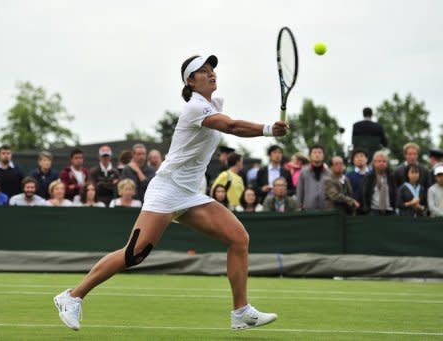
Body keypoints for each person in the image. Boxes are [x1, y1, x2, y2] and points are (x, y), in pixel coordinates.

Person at [53, 54, 288, 331]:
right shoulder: (194, 107)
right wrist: (269, 129)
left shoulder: (213, 104)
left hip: (190, 193)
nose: (211, 73)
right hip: (167, 189)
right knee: (134, 254)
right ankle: (71, 296)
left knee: (238, 238)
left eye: (212, 69)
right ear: (190, 80)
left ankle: (241, 312)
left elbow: (228, 123)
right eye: (203, 71)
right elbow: (232, 126)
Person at [361, 151, 396, 216]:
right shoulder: (369, 177)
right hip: (374, 211)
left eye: (384, 161)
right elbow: (364, 194)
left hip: (390, 211)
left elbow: (395, 193)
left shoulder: (392, 176)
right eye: (379, 161)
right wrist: (367, 211)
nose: (381, 163)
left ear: (387, 163)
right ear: (374, 162)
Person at [296, 144, 330, 210]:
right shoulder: (303, 172)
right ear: (310, 156)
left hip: (325, 209)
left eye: (320, 153)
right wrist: (299, 206)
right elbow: (299, 190)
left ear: (323, 156)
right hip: (308, 209)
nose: (317, 155)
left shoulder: (329, 173)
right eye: (314, 152)